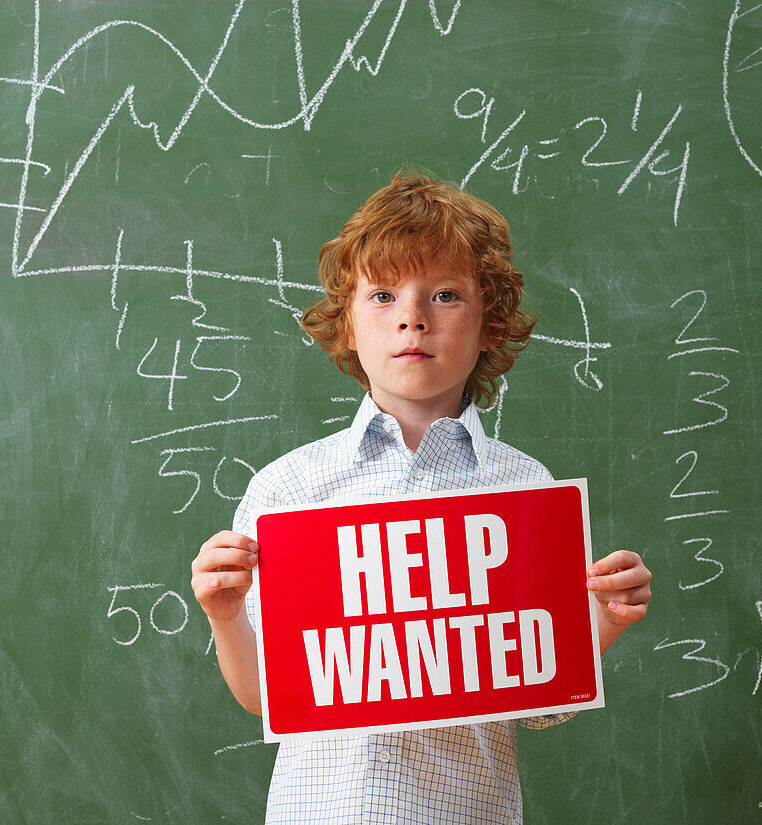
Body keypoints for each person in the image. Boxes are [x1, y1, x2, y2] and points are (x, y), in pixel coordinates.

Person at [191, 171, 652, 824]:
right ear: (347, 325)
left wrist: (603, 618)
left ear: (490, 324)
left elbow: (539, 699)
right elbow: (269, 693)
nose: (412, 316)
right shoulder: (286, 491)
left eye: (444, 294)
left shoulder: (522, 491)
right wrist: (226, 613)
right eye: (382, 294)